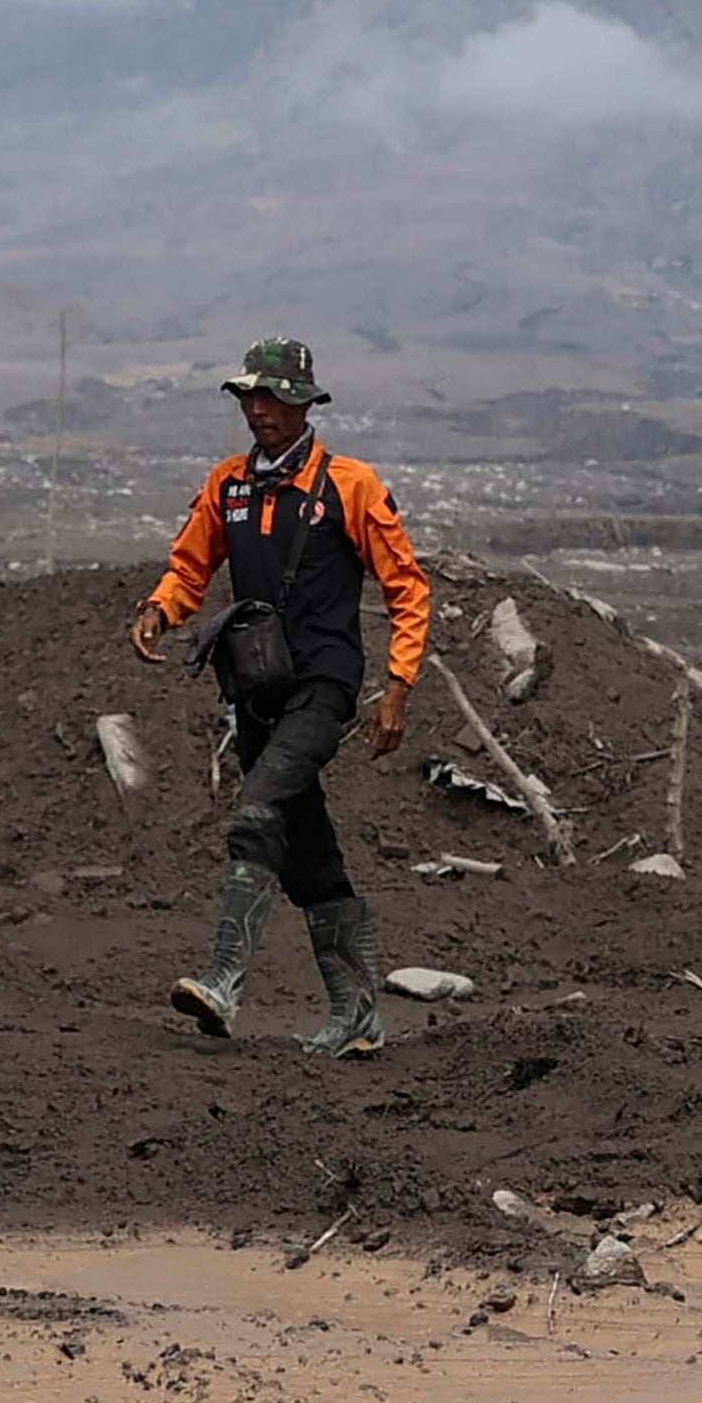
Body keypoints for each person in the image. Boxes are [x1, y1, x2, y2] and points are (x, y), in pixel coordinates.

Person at [127, 339, 431, 1056]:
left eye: (275, 398)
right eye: (249, 397)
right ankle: (357, 1016)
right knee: (308, 854)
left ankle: (223, 983)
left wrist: (398, 685)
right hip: (256, 690)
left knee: (258, 810)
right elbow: (189, 566)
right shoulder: (227, 485)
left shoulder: (350, 486)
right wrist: (160, 609)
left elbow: (407, 587)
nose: (259, 409)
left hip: (324, 687)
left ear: (305, 405)